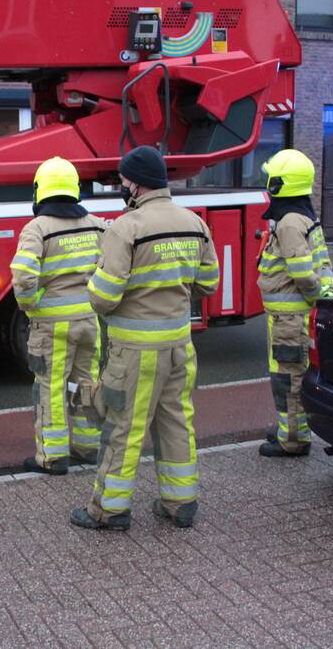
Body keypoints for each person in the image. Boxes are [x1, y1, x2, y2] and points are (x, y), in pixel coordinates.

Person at [70, 146, 220, 531]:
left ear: (135, 183)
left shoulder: (126, 227)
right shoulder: (195, 223)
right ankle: (180, 502)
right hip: (180, 347)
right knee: (176, 421)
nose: (122, 187)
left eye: (122, 181)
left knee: (124, 427)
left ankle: (109, 510)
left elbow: (103, 298)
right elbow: (208, 284)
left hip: (135, 352)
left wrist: (95, 278)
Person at [10, 156, 105, 475]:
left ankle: (52, 457)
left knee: (50, 387)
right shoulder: (96, 223)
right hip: (89, 322)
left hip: (51, 327)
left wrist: (30, 304)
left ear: (40, 190)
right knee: (85, 384)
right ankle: (89, 447)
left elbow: (23, 277)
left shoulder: (36, 228)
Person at [256, 149, 333, 458]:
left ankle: (292, 441)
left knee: (287, 379)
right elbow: (321, 266)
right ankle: (291, 430)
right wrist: (322, 299)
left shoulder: (288, 223)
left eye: (270, 180)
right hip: (291, 317)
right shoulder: (303, 218)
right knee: (291, 375)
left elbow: (302, 271)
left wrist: (316, 296)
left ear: (281, 184)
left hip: (288, 319)